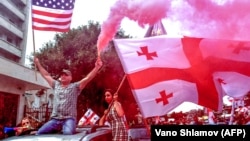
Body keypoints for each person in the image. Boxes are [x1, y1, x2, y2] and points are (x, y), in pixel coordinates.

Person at [34, 57, 103, 135]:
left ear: (71, 78)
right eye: (62, 75)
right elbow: (46, 75)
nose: (63, 76)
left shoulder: (75, 87)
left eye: (66, 75)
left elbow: (87, 78)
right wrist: (38, 64)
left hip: (69, 119)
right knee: (40, 133)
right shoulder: (56, 85)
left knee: (68, 133)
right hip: (55, 119)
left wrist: (97, 67)